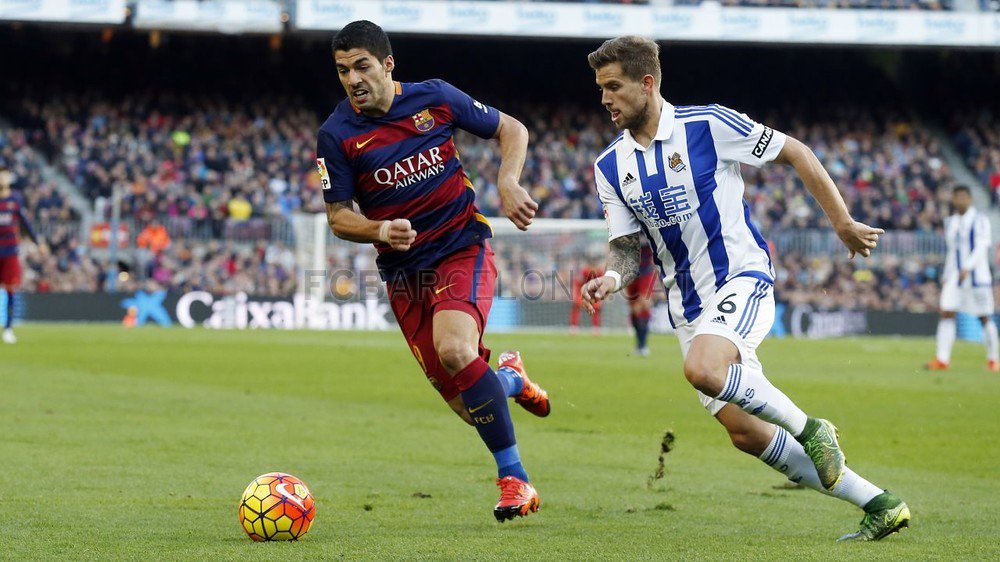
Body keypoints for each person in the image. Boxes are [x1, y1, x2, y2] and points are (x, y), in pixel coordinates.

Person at [580, 36, 909, 541]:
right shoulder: (609, 165)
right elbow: (625, 248)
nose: (605, 98)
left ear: (647, 83)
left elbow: (795, 151)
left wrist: (842, 222)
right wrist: (610, 278)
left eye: (614, 86)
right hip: (688, 307)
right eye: (601, 88)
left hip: (741, 276)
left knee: (703, 369)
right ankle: (879, 504)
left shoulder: (708, 125)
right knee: (746, 432)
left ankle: (811, 428)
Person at [317, 21, 549, 522]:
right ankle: (510, 379)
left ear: (387, 65)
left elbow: (512, 128)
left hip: (461, 246)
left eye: (361, 66)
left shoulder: (435, 98)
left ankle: (516, 481)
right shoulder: (336, 135)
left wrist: (508, 180)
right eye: (342, 70)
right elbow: (338, 217)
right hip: (405, 275)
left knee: (455, 349)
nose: (353, 79)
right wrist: (380, 230)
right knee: (470, 406)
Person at [926, 185, 999, 372]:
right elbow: (952, 252)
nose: (960, 200)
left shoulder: (980, 220)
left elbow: (982, 246)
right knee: (947, 313)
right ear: (953, 199)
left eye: (964, 197)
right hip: (954, 277)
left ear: (970, 199)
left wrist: (968, 266)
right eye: (957, 197)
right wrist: (947, 275)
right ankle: (942, 359)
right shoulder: (951, 222)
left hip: (977, 277)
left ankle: (993, 359)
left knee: (984, 317)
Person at [0, 165, 43, 344]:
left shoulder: (15, 199)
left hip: (10, 251)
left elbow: (25, 223)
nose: (2, 179)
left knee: (10, 289)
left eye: (5, 175)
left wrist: (37, 242)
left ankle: (8, 329)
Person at [625, 242, 656, 356]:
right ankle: (639, 344)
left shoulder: (648, 231)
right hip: (630, 274)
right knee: (634, 310)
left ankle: (643, 345)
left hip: (646, 272)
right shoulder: (628, 233)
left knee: (643, 303)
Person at [570, 257, 604, 334]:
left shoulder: (600, 272)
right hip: (582, 291)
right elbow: (578, 282)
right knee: (576, 306)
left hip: (594, 293)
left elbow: (603, 284)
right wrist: (576, 295)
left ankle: (596, 329)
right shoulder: (585, 271)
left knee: (596, 309)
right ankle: (573, 327)